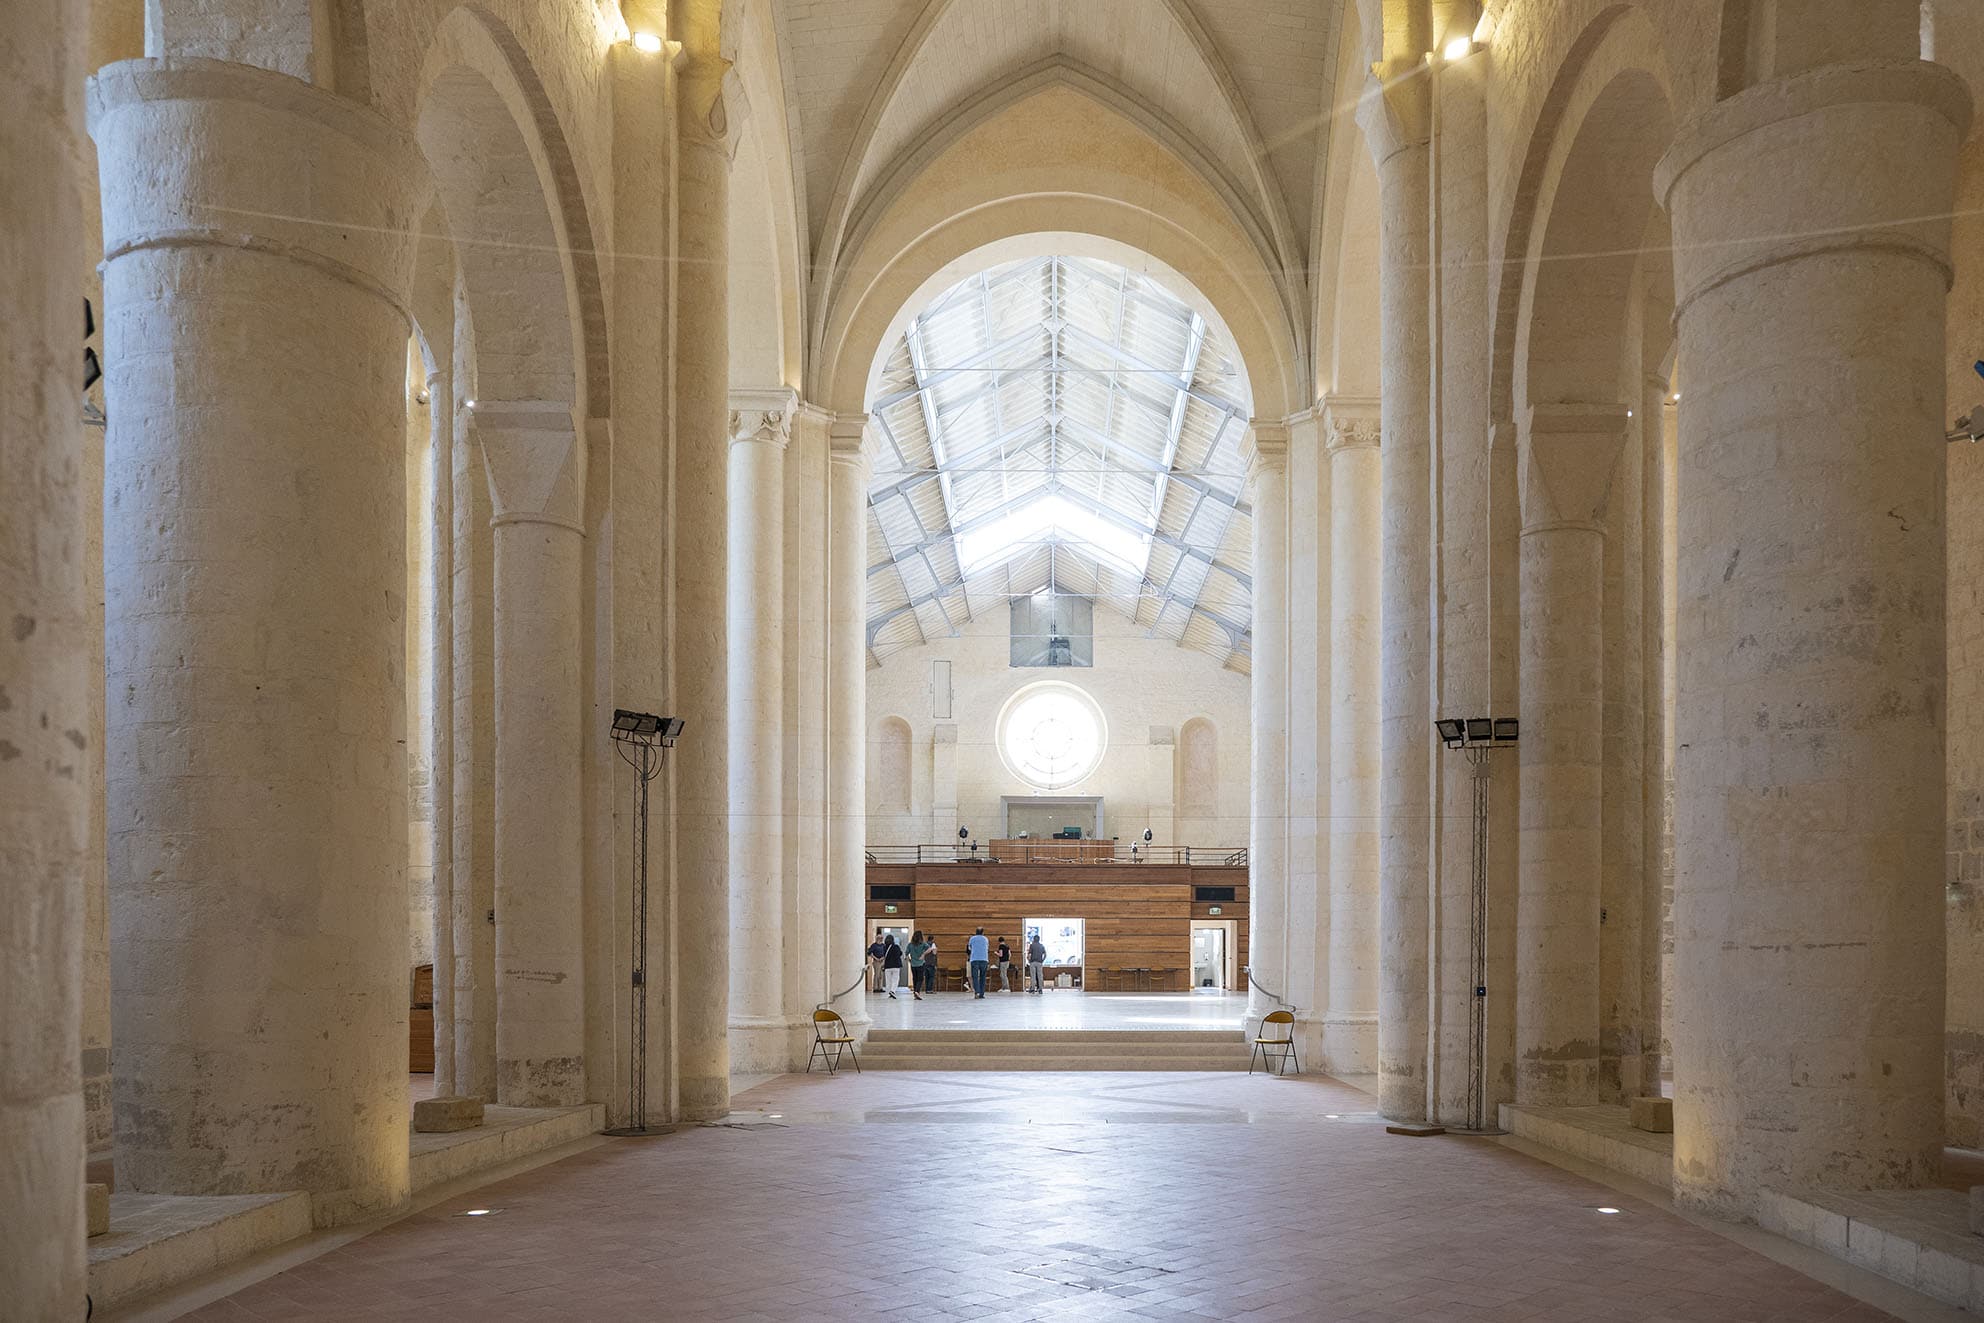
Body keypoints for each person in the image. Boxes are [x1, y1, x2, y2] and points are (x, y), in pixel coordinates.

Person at [905, 930, 930, 1000]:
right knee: (920, 978)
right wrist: (923, 954)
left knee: (915, 978)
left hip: (913, 964)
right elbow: (930, 949)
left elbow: (906, 953)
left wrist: (909, 959)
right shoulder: (923, 944)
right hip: (920, 964)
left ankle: (915, 993)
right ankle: (917, 991)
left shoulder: (910, 944)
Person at [967, 927, 990, 999]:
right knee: (983, 977)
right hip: (984, 959)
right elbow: (987, 948)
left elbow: (969, 948)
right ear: (983, 932)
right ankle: (982, 994)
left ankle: (977, 992)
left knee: (975, 977)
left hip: (974, 959)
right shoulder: (985, 939)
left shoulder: (972, 938)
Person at [881, 933, 905, 999]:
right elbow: (900, 953)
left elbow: (883, 955)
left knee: (888, 980)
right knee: (895, 979)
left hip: (888, 966)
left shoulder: (884, 947)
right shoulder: (896, 946)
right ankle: (893, 991)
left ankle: (889, 992)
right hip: (896, 966)